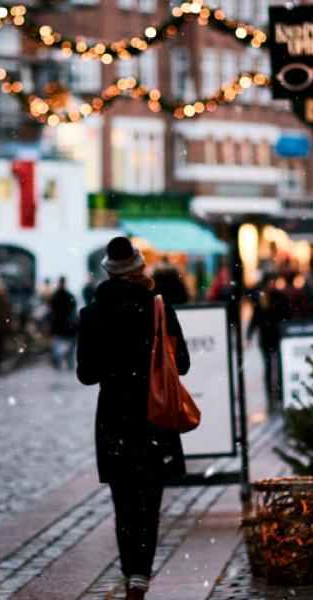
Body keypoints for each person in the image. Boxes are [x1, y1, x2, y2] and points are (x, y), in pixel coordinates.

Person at [77, 237, 190, 600]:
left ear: (109, 271)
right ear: (140, 268)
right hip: (153, 414)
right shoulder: (157, 306)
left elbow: (86, 374)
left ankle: (131, 575)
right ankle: (140, 574)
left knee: (123, 503)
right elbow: (183, 363)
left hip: (114, 417)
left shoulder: (92, 314)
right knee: (149, 502)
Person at [248, 273, 291, 407]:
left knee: (278, 365)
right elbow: (255, 318)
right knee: (268, 366)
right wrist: (249, 333)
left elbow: (286, 315)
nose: (272, 284)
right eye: (270, 282)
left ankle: (279, 392)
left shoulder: (279, 297)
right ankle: (270, 393)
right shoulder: (261, 299)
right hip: (266, 337)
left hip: (277, 336)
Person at [48, 276, 78, 370]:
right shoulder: (68, 295)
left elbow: (52, 309)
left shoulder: (56, 295)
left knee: (58, 342)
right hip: (65, 323)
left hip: (60, 323)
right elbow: (73, 307)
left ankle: (59, 359)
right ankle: (65, 359)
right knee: (67, 342)